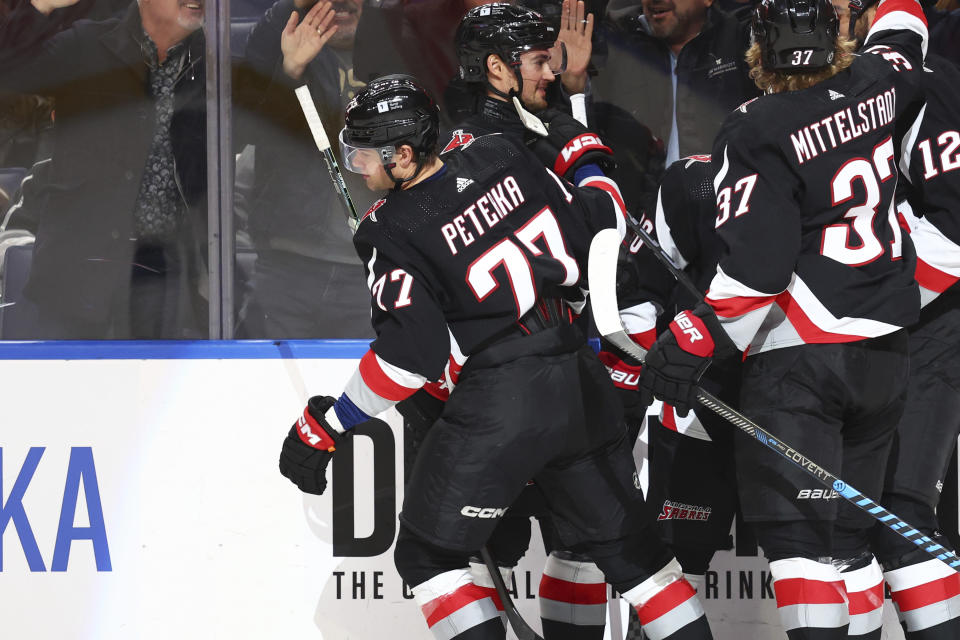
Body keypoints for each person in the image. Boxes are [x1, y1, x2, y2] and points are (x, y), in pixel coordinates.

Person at [278, 74, 714, 640]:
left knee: (428, 557)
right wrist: (584, 156)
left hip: (506, 397)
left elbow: (410, 358)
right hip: (581, 380)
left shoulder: (390, 228)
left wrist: (329, 424)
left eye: (365, 153)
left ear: (404, 155)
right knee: (639, 560)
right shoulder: (501, 153)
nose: (357, 165)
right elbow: (599, 221)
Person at [638, 0, 929, 638]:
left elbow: (756, 273)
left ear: (758, 52)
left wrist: (693, 338)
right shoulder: (879, 83)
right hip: (885, 353)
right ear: (838, 38)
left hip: (805, 362)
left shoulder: (757, 126)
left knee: (802, 548)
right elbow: (906, 31)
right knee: (848, 543)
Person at [838, 1, 960, 637]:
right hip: (856, 335)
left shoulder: (925, 85)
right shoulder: (816, 91)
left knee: (901, 514)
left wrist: (888, 296)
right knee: (847, 520)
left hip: (927, 326)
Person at [0, 0, 209, 339]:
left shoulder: (213, 65)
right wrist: (39, 7)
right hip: (79, 270)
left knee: (148, 390)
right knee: (72, 390)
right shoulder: (88, 46)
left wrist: (290, 73)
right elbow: (9, 70)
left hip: (160, 280)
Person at [235, 0, 374, 339]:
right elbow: (249, 129)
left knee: (364, 390)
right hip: (288, 264)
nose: (340, 3)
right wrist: (291, 71)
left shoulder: (400, 53)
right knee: (258, 385)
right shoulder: (277, 45)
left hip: (374, 269)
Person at [588, 0, 759, 213]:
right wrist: (572, 86)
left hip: (727, 215)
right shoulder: (619, 48)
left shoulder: (744, 41)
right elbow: (589, 136)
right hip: (640, 224)